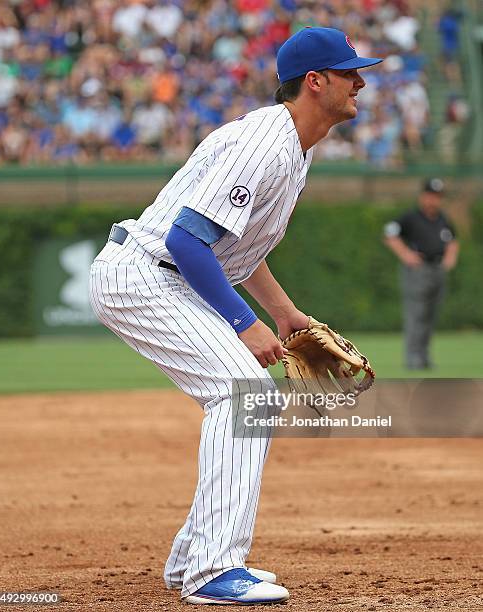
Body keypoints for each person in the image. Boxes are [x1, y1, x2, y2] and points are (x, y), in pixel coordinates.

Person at [89, 27, 382, 606]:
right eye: (349, 72)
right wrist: (242, 322)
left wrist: (283, 314)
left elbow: (236, 249)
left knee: (244, 395)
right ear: (315, 82)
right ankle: (213, 570)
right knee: (245, 393)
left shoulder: (298, 149)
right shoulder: (268, 143)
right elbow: (189, 241)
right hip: (145, 274)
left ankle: (193, 558)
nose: (361, 82)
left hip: (167, 274)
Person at [384, 178, 459, 370]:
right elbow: (390, 234)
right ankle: (413, 358)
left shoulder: (443, 219)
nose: (434, 200)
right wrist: (405, 254)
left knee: (431, 315)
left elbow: (453, 240)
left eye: (438, 196)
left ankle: (424, 356)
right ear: (423, 196)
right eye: (431, 195)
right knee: (416, 314)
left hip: (437, 270)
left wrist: (450, 258)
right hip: (418, 270)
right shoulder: (411, 217)